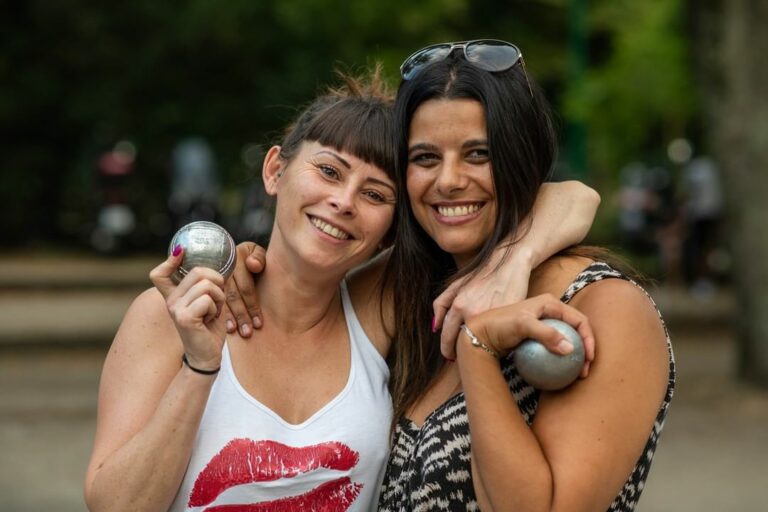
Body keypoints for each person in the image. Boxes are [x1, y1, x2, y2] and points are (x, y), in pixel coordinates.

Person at [84, 70, 597, 512]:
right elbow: (115, 504)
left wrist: (515, 260)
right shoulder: (174, 313)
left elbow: (574, 198)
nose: (344, 202)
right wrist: (199, 367)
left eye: (375, 193)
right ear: (275, 170)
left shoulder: (378, 306)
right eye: (328, 171)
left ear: (394, 223)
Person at [376, 41, 674, 511]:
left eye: (479, 154)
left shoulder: (605, 306)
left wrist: (478, 348)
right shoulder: (415, 297)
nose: (448, 180)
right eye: (425, 158)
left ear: (523, 158)